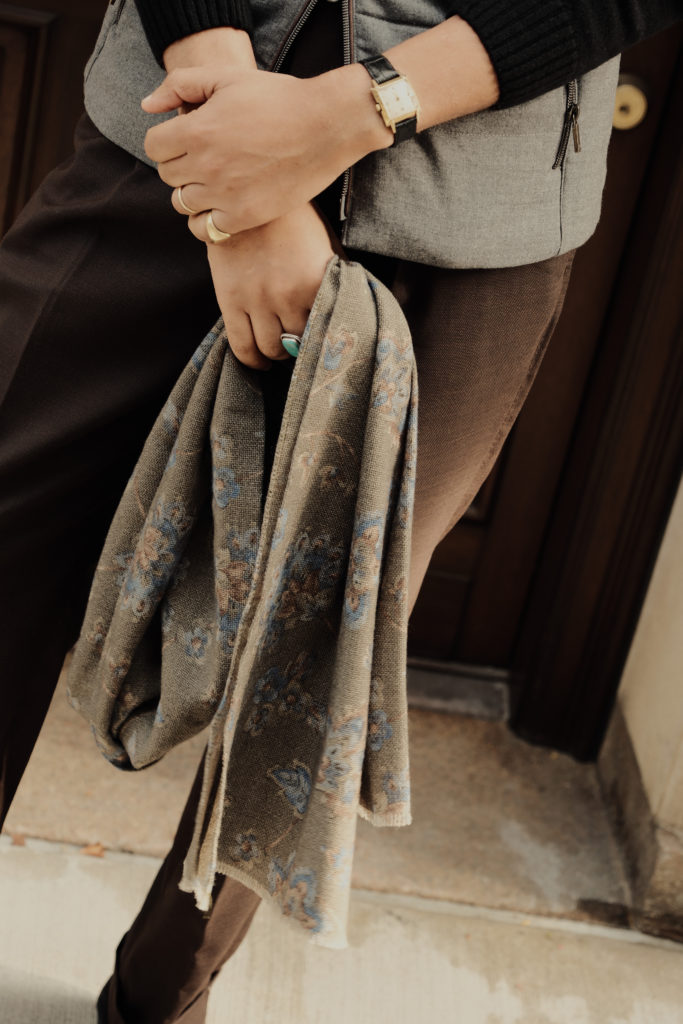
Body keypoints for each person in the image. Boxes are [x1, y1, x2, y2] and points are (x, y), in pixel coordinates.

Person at [0, 1, 680, 1021]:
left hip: (479, 202)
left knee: (317, 659)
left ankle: (157, 1003)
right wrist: (241, 182)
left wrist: (349, 116)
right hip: (183, 118)